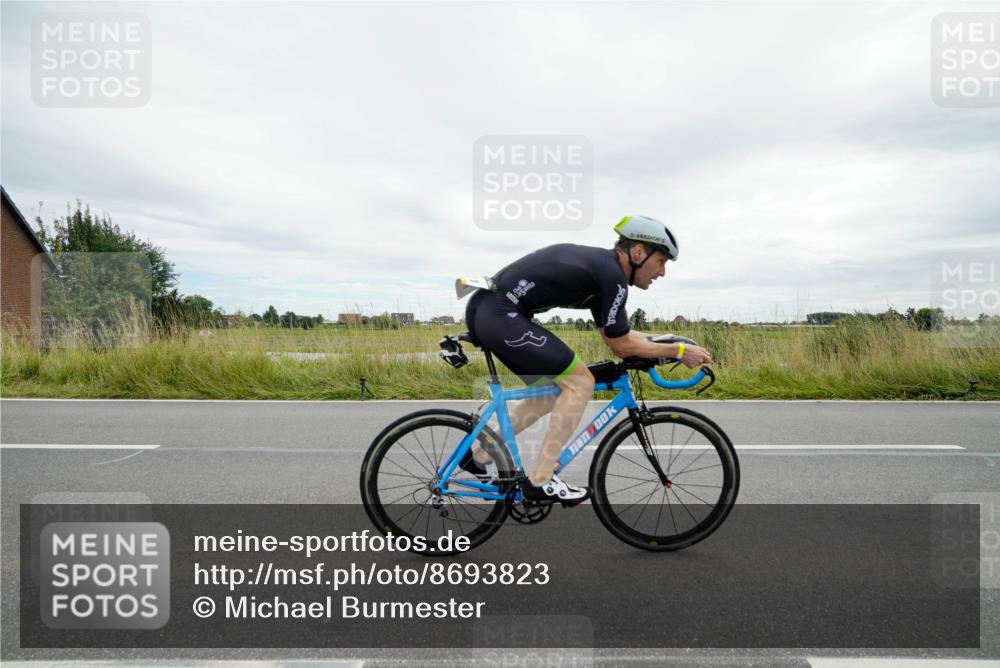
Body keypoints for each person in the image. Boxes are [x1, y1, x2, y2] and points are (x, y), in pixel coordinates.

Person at [462, 215, 714, 505]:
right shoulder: (611, 275)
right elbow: (621, 346)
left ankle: (479, 455)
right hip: (500, 314)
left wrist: (665, 341)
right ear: (638, 253)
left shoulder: (604, 271)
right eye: (661, 262)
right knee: (580, 382)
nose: (662, 272)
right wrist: (678, 352)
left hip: (492, 311)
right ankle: (541, 480)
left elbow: (616, 334)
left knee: (549, 393)